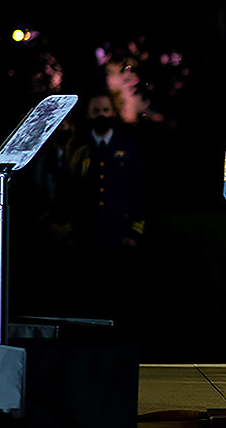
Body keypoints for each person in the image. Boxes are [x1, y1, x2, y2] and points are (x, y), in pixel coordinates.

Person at [62, 92, 148, 323]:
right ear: (89, 115)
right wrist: (68, 232)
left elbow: (138, 192)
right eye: (96, 111)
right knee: (86, 300)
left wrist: (134, 233)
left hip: (119, 238)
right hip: (85, 237)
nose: (102, 115)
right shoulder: (77, 149)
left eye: (106, 110)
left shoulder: (128, 148)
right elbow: (67, 192)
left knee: (118, 300)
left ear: (113, 113)